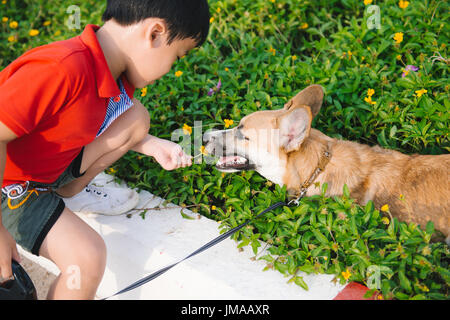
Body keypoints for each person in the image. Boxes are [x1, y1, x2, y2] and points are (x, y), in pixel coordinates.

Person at [0, 0, 210, 299]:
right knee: (86, 259)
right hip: (11, 188)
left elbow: (84, 123)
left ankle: (69, 194)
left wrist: (149, 144)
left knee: (136, 117)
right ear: (155, 33)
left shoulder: (113, 75)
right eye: (177, 57)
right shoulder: (62, 68)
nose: (170, 68)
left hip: (47, 175)